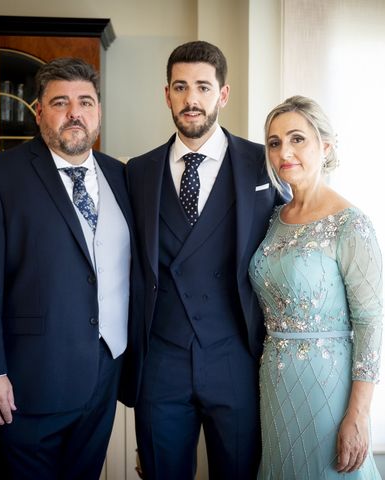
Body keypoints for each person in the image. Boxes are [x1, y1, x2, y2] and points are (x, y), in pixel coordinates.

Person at [0, 57, 136, 479]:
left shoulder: (121, 175)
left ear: (99, 113)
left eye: (86, 102)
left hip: (103, 377)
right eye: (61, 102)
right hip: (25, 385)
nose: (75, 113)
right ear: (38, 112)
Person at [123, 40, 281, 479]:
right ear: (167, 93)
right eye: (181, 87)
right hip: (161, 360)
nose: (192, 100)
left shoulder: (261, 164)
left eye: (203, 88)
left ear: (223, 94)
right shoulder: (137, 171)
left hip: (235, 355)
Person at [249, 95, 383, 479]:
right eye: (274, 143)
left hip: (328, 384)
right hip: (274, 382)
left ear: (325, 146)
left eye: (297, 139)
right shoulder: (274, 217)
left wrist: (358, 414)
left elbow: (370, 322)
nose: (284, 151)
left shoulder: (350, 224)